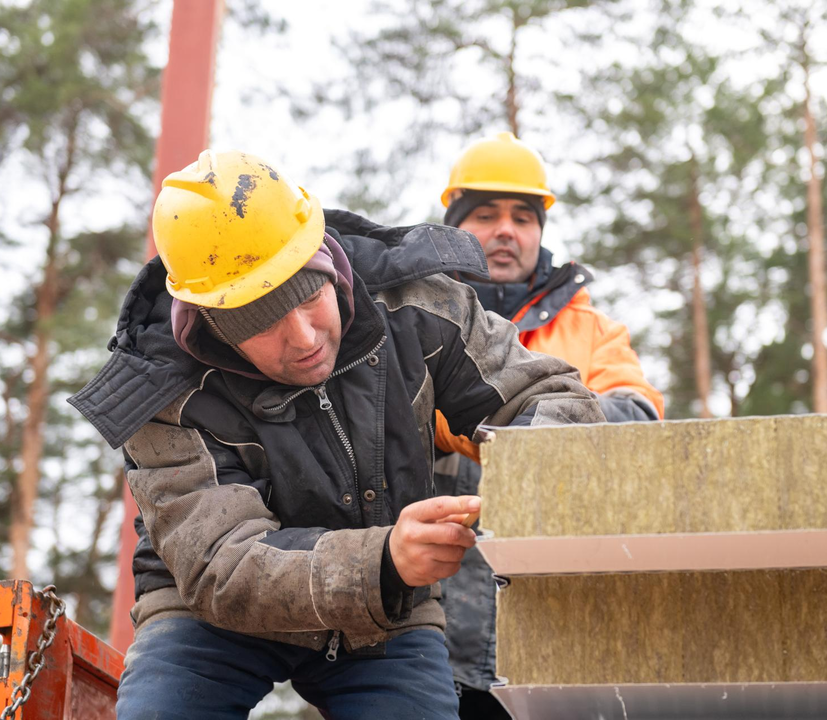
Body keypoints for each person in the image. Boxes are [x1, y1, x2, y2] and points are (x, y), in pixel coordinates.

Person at [69, 149, 604, 720]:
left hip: (390, 610)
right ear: (210, 321)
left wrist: (518, 490)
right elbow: (221, 564)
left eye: (308, 297)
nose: (303, 338)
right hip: (213, 616)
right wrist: (383, 559)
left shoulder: (417, 303)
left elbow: (551, 398)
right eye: (262, 322)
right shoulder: (158, 389)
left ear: (324, 254)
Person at [432, 132, 665, 718]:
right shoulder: (415, 320)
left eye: (522, 216)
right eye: (485, 214)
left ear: (540, 230)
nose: (506, 230)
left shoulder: (594, 330)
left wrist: (518, 431)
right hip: (430, 636)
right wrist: (544, 430)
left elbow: (637, 417)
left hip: (564, 632)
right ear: (454, 225)